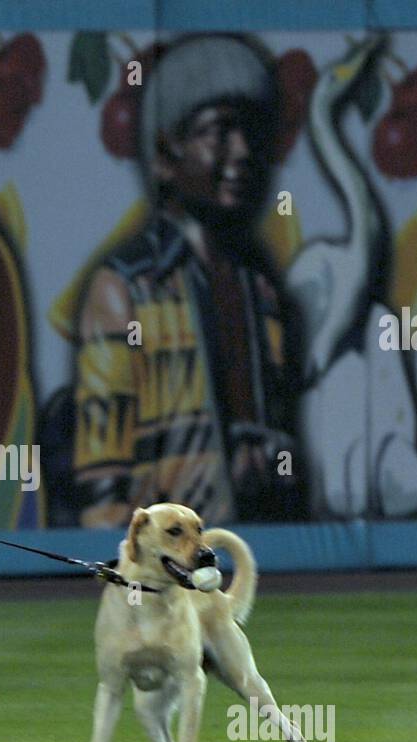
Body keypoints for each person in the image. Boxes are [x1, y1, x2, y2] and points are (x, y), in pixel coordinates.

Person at [73, 34, 307, 529]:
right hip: (168, 554)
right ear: (164, 154)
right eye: (218, 132)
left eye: (249, 132)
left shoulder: (259, 288)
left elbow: (280, 422)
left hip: (255, 550)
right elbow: (103, 473)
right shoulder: (125, 287)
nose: (241, 151)